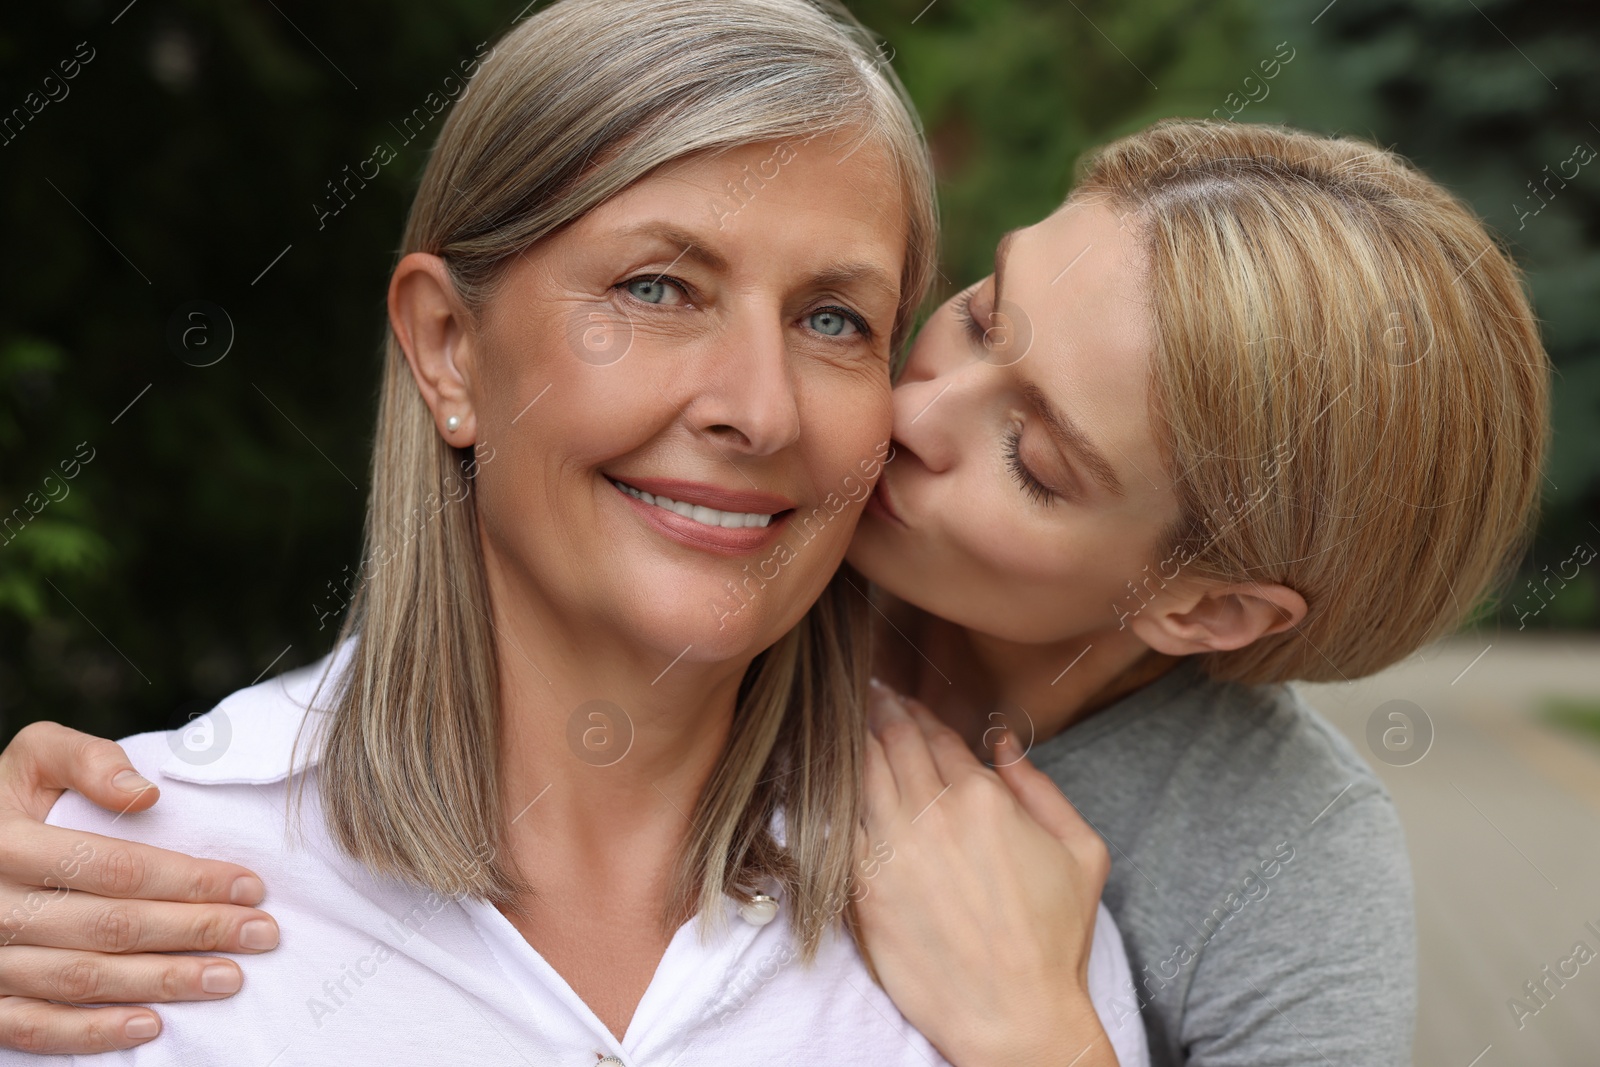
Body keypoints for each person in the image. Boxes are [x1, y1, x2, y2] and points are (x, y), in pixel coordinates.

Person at [0, 76, 1548, 1067]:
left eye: (1039, 459)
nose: (894, 418)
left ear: (1201, 606)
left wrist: (1032, 1040)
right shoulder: (706, 538)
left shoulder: (1271, 866)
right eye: (981, 318)